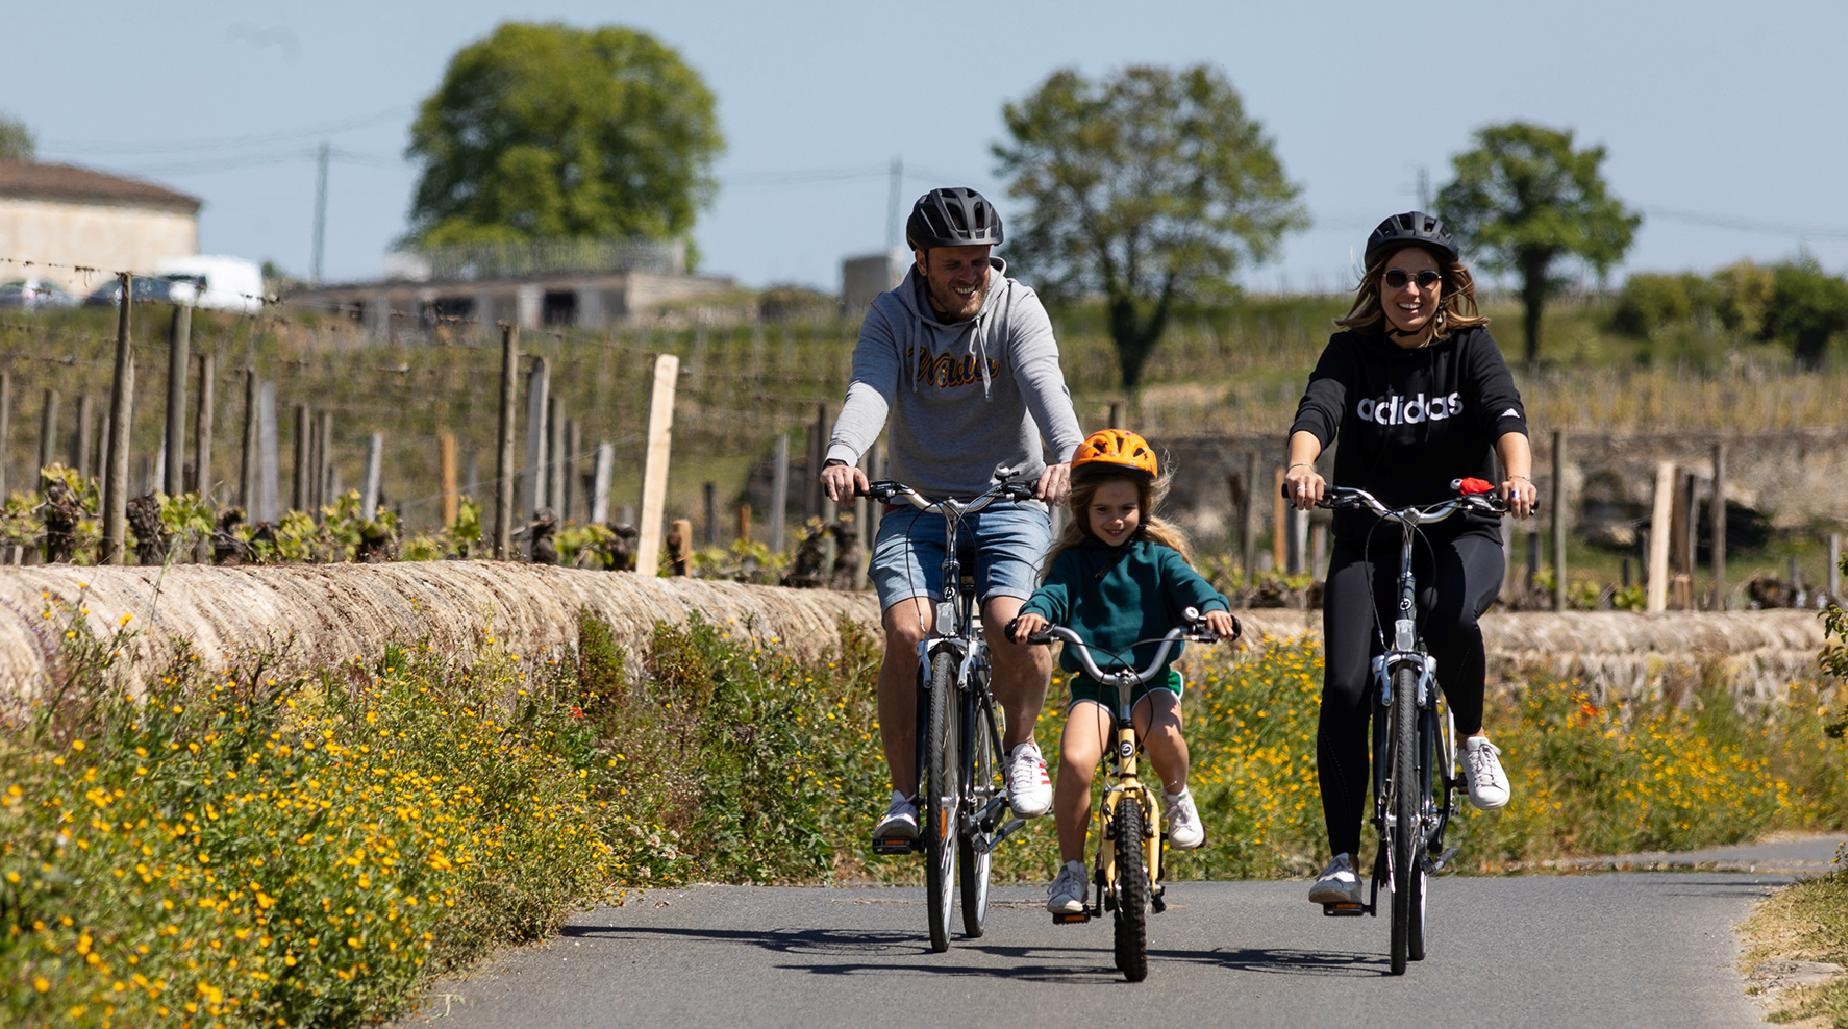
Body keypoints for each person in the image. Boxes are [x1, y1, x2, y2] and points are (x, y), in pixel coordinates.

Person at [1283, 211, 1539, 907]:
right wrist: (1304, 465)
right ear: (1377, 284)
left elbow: (1505, 415)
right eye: (1396, 276)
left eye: (1427, 277)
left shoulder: (1471, 347)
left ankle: (1474, 736)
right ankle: (1341, 857)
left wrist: (1516, 477)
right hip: (1368, 532)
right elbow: (1318, 413)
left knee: (1449, 614)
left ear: (1447, 285)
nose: (1412, 289)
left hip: (1461, 526)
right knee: (1344, 688)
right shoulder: (1352, 350)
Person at [820, 186, 1086, 844]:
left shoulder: (1015, 306)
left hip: (1011, 498)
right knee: (907, 634)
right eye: (955, 263)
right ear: (921, 259)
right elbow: (871, 387)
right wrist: (843, 453)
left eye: (981, 260)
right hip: (919, 503)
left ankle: (1022, 746)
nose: (971, 275)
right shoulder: (890, 316)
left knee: (1012, 625)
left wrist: (1068, 455)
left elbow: (1043, 379)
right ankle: (905, 794)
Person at [1007, 429, 1239, 915]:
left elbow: (1195, 589)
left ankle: (1176, 794)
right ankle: (1071, 871)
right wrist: (1036, 615)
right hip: (1094, 687)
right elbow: (1052, 597)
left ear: (1143, 508)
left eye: (1126, 509)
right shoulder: (1072, 563)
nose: (1116, 520)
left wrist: (1215, 610)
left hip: (1150, 681)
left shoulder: (1158, 558)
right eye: (1103, 510)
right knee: (1073, 762)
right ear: (1084, 512)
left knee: (1165, 738)